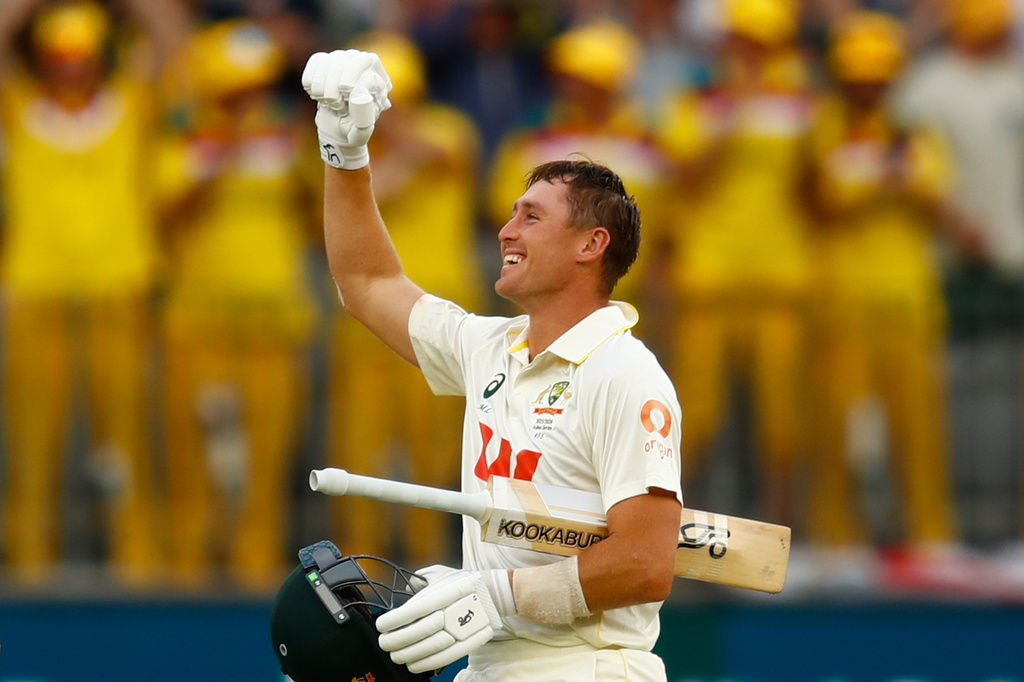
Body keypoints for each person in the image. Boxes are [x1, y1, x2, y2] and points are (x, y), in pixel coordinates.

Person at [300, 46, 683, 681]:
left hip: (589, 667)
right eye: (510, 214)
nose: (506, 231)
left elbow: (646, 563)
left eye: (531, 217)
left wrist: (498, 594)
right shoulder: (488, 350)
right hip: (489, 666)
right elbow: (365, 282)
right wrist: (346, 155)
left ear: (592, 245)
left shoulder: (626, 374)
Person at [0, 0, 187, 587]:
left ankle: (138, 563)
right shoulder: (18, 109)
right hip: (37, 293)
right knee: (32, 443)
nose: (70, 68)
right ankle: (28, 564)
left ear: (99, 56)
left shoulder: (131, 104)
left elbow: (175, 53)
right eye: (58, 56)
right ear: (41, 58)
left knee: (127, 438)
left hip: (117, 293)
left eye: (81, 55)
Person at [158, 18, 318, 591]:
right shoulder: (184, 134)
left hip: (275, 320)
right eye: (239, 88)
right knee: (196, 454)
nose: (252, 99)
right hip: (200, 322)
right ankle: (189, 567)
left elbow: (315, 214)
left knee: (267, 457)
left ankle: (255, 569)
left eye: (257, 87)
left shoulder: (284, 139)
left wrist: (298, 144)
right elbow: (168, 210)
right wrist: (224, 148)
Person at [802, 12, 958, 557]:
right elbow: (819, 204)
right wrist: (879, 186)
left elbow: (937, 202)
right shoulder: (822, 130)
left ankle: (930, 537)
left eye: (877, 75)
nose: (867, 86)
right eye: (857, 75)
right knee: (840, 427)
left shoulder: (916, 135)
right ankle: (837, 540)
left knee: (919, 428)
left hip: (908, 300)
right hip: (842, 300)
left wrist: (893, 185)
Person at [325, 31, 484, 568]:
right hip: (367, 319)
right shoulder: (344, 140)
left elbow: (439, 157)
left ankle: (425, 562)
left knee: (432, 449)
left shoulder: (447, 128)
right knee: (360, 443)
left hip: (440, 317)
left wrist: (376, 141)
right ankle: (359, 565)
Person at [653, 0, 814, 527]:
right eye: (742, 43)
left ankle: (781, 533)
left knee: (784, 422)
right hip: (709, 281)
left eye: (761, 45)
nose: (750, 55)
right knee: (695, 417)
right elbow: (683, 176)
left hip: (777, 280)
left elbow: (815, 190)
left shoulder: (799, 107)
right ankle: (678, 532)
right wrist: (733, 116)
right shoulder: (696, 104)